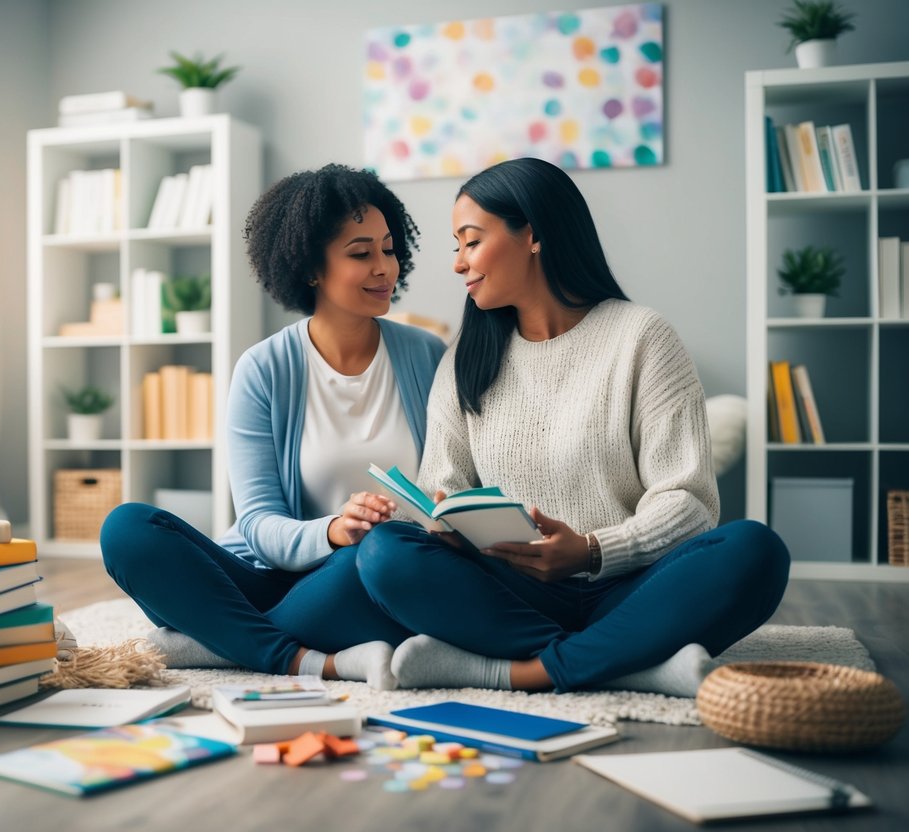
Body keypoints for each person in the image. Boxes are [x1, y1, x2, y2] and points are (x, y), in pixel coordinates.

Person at [355, 157, 790, 698]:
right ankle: (630, 664)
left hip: (630, 586)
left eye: (470, 241)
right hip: (516, 590)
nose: (459, 263)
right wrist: (439, 521)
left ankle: (527, 670)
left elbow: (690, 501)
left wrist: (591, 550)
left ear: (531, 235)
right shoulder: (465, 357)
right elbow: (444, 484)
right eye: (456, 247)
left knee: (755, 549)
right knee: (383, 553)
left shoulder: (642, 338)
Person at [101, 164, 446, 689]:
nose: (384, 268)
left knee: (380, 558)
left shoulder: (427, 356)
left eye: (389, 248)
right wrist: (333, 529)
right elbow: (259, 525)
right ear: (311, 268)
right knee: (126, 529)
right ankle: (308, 659)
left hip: (366, 578)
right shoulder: (263, 369)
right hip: (272, 577)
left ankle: (218, 642)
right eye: (361, 253)